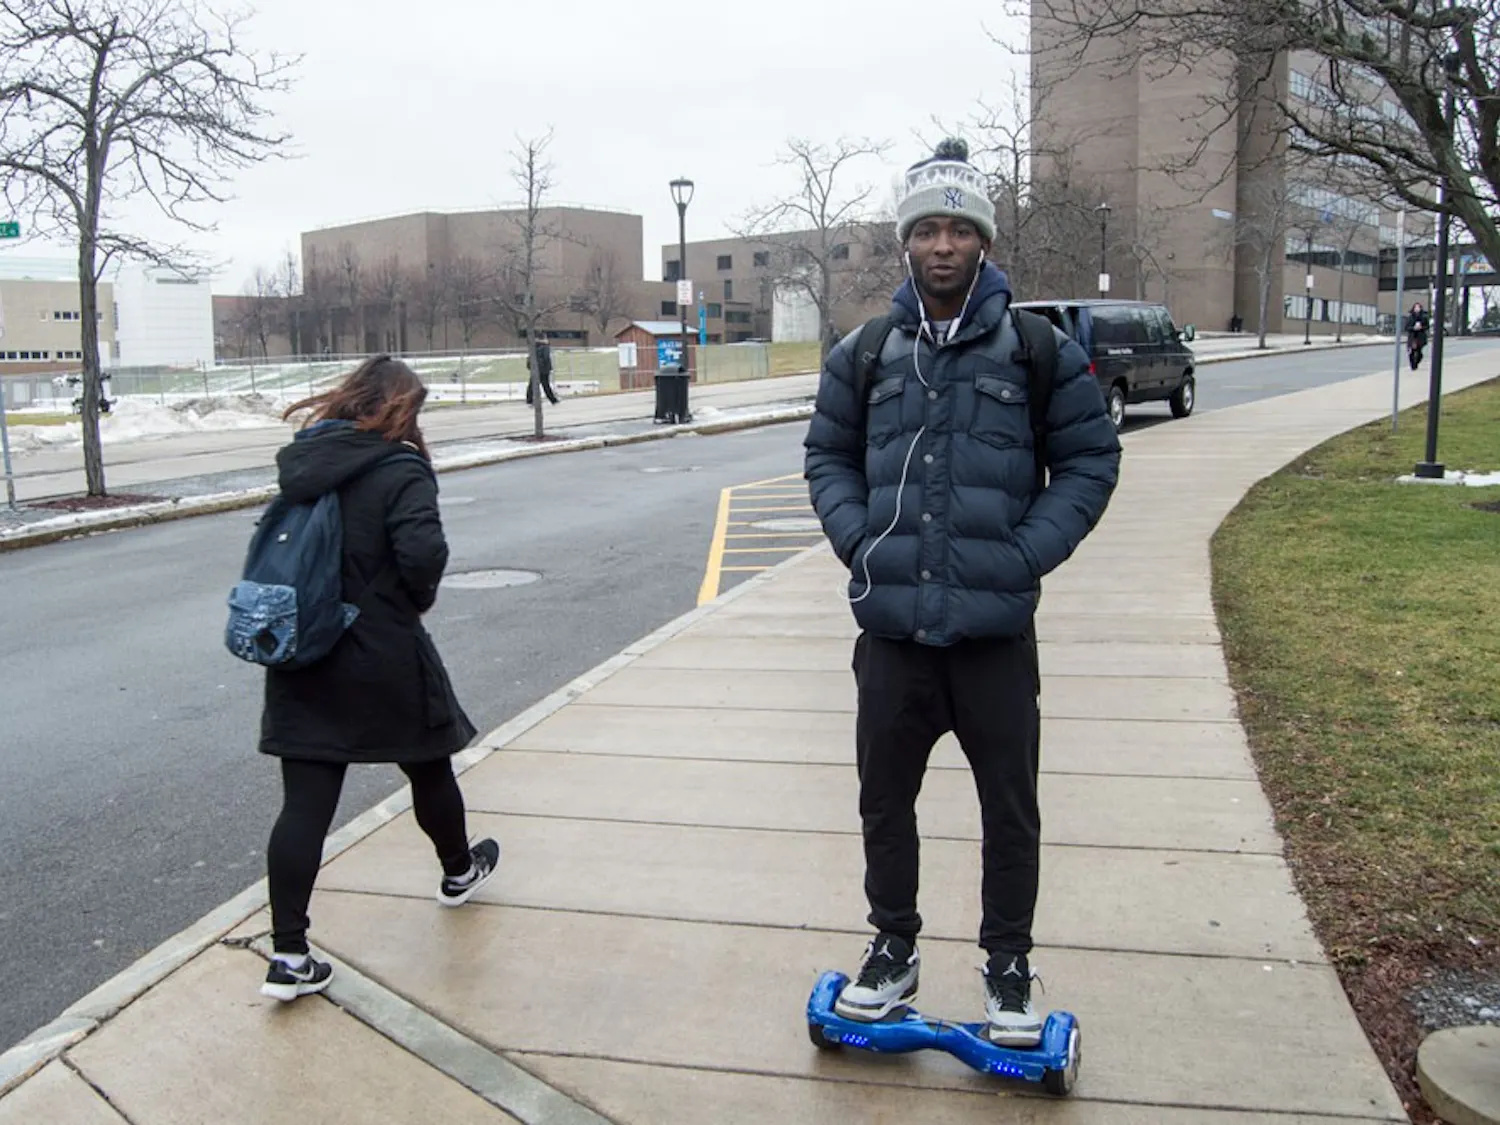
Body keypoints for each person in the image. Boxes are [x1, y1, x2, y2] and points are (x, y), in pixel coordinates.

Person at [803, 138, 1121, 1047]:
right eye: (926, 229)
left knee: (1009, 811)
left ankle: (1008, 964)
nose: (942, 245)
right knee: (883, 803)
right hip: (894, 634)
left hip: (992, 638)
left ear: (983, 241)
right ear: (907, 242)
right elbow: (826, 453)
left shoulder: (1035, 350)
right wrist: (858, 537)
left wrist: (1026, 554)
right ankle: (892, 949)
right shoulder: (865, 353)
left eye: (959, 229)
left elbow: (1091, 460)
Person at [257, 354, 498, 1002]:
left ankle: (287, 952)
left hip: (304, 648)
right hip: (382, 650)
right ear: (402, 409)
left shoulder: (305, 464)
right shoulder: (400, 469)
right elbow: (422, 554)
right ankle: (457, 871)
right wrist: (411, 600)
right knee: (429, 765)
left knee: (304, 805)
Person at [525, 335, 559, 405]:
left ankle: (529, 399)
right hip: (543, 369)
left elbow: (529, 357)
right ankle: (553, 400)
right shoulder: (545, 347)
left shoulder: (533, 346)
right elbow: (546, 357)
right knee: (546, 385)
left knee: (532, 384)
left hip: (535, 368)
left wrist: (529, 366)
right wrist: (548, 367)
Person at [1407, 301, 1430, 369]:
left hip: (1420, 336)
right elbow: (1407, 327)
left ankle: (1416, 362)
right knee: (1412, 352)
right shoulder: (1410, 317)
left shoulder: (1424, 316)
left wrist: (1421, 327)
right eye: (1415, 307)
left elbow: (1427, 326)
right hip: (1413, 336)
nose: (1417, 309)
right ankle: (1413, 365)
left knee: (1419, 352)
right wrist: (1413, 328)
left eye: (1418, 307)